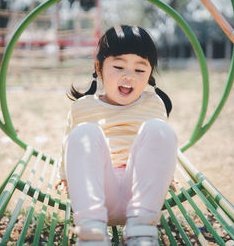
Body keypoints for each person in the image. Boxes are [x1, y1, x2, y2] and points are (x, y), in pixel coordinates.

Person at [56, 25, 177, 246]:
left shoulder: (153, 104)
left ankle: (140, 232)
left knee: (160, 130)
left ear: (149, 74)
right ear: (99, 68)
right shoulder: (82, 107)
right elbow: (70, 148)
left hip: (141, 195)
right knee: (84, 133)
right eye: (119, 66)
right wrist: (65, 176)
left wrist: (167, 176)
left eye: (140, 70)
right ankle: (91, 234)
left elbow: (158, 149)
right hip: (98, 193)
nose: (128, 76)